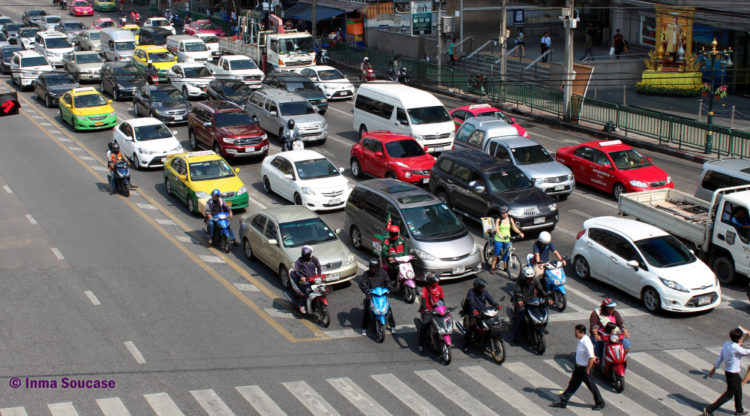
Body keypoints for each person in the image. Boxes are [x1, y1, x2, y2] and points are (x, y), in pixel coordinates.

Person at [551, 324, 605, 410]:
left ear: (581, 332)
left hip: (585, 369)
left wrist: (588, 369)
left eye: (576, 332)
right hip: (578, 368)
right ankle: (563, 401)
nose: (575, 334)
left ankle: (600, 403)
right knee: (573, 384)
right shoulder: (581, 340)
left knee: (592, 386)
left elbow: (591, 357)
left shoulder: (586, 342)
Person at [704, 327, 750, 415]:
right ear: (739, 338)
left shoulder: (726, 344)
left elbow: (720, 357)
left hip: (729, 373)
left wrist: (713, 368)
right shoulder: (736, 348)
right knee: (728, 395)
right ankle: (709, 409)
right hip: (733, 375)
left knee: (738, 391)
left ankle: (739, 410)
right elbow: (746, 352)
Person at [510, 265, 553, 345]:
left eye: (531, 277)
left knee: (544, 309)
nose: (529, 279)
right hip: (521, 300)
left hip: (531, 300)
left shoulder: (535, 280)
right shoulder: (520, 280)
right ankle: (516, 338)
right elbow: (517, 291)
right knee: (521, 319)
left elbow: (541, 290)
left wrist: (548, 298)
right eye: (528, 278)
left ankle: (542, 326)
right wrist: (519, 299)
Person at [462, 277, 501, 352]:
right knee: (471, 326)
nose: (483, 288)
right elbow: (471, 301)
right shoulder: (471, 292)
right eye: (481, 287)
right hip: (474, 312)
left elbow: (490, 300)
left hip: (484, 311)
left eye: (483, 287)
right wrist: (474, 310)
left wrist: (496, 305)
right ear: (477, 287)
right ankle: (466, 345)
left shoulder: (485, 292)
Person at [359, 258, 395, 336]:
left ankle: (392, 326)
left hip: (382, 295)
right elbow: (362, 283)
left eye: (375, 267)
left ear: (378, 267)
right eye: (371, 267)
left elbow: (388, 282)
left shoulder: (383, 273)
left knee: (389, 309)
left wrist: (389, 287)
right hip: (371, 295)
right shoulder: (366, 274)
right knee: (367, 310)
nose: (373, 269)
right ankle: (364, 328)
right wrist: (366, 290)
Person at [489, 206, 524, 274]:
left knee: (506, 253)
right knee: (496, 254)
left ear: (507, 213)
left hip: (507, 238)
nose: (504, 214)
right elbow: (497, 229)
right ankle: (492, 267)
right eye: (502, 213)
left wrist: (520, 233)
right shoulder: (498, 220)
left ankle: (505, 267)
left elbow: (514, 228)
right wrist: (499, 235)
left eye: (505, 213)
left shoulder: (510, 219)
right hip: (499, 239)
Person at [417, 274, 444, 355]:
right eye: (435, 282)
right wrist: (426, 309)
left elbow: (442, 299)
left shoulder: (439, 288)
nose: (436, 283)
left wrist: (444, 308)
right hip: (429, 311)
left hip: (438, 310)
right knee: (424, 327)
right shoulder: (424, 290)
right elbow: (423, 302)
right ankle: (420, 346)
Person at [292, 246, 321, 313]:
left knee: (321, 289)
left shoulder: (314, 259)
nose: (305, 256)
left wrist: (319, 276)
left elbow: (319, 267)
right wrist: (301, 277)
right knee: (307, 291)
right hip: (304, 280)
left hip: (313, 279)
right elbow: (296, 271)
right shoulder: (299, 261)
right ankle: (302, 305)